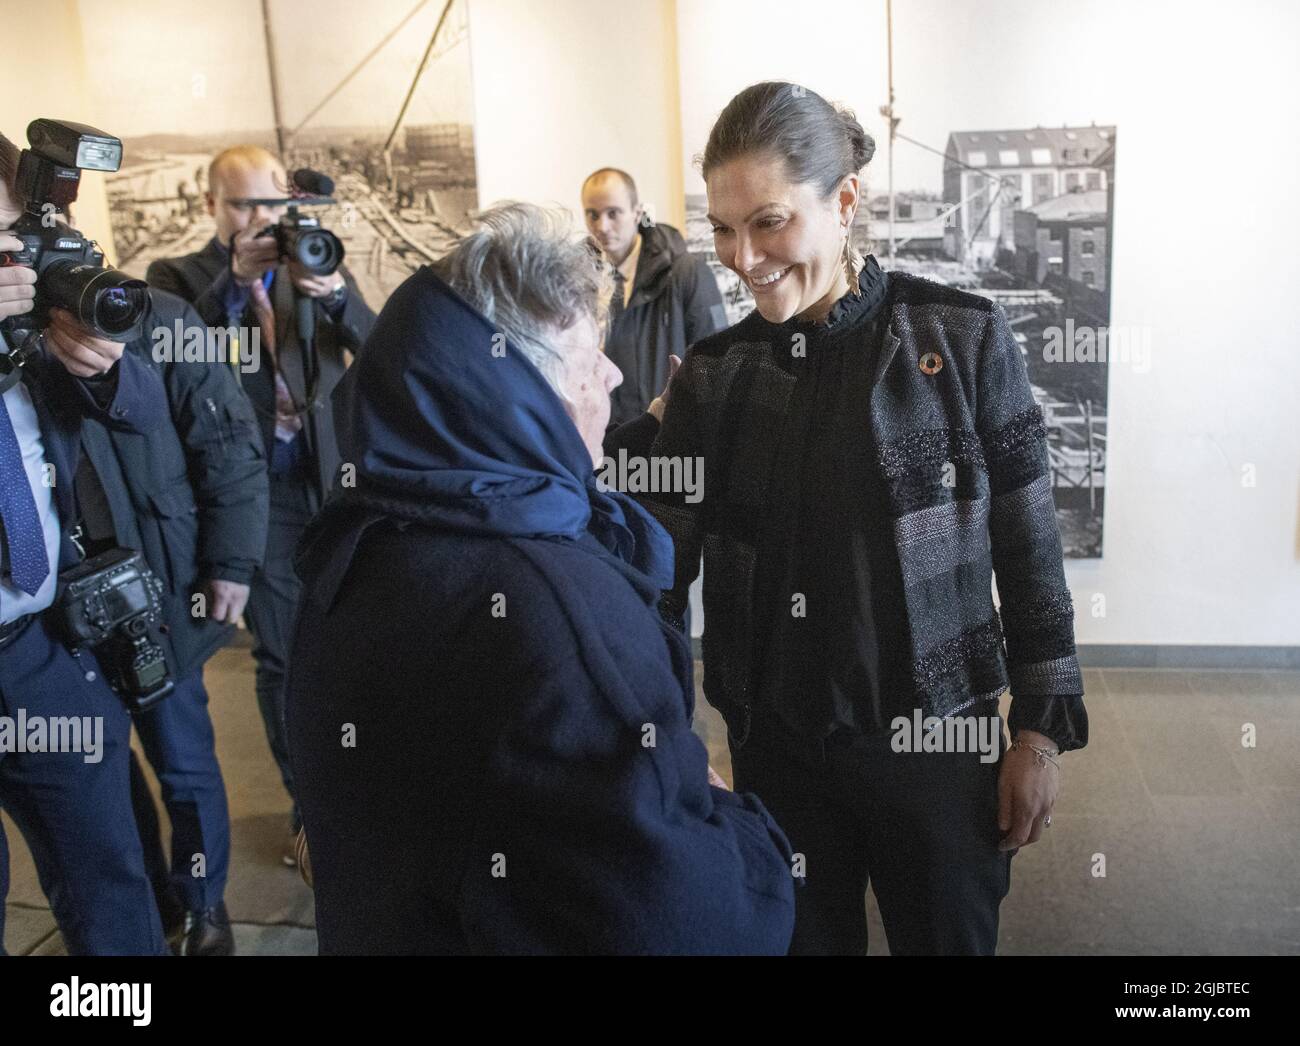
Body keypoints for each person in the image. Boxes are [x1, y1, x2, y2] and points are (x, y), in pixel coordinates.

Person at [635, 82, 1090, 955]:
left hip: (939, 745)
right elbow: (655, 572)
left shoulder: (964, 339)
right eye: (722, 229)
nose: (742, 257)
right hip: (778, 756)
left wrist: (1039, 732)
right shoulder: (715, 376)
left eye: (768, 221)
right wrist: (671, 741)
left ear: (844, 202)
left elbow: (1031, 551)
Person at [284, 203, 795, 954]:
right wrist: (742, 829)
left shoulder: (351, 551)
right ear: (525, 395)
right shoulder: (555, 612)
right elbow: (692, 923)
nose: (615, 374)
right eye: (592, 360)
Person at [147, 146, 376, 862]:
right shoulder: (178, 279)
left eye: (270, 205)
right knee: (284, 654)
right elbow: (171, 358)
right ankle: (310, 814)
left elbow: (375, 345)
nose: (259, 220)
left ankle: (365, 791)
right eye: (242, 205)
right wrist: (228, 285)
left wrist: (334, 293)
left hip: (332, 477)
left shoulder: (309, 257)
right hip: (256, 494)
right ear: (212, 206)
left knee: (355, 642)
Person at [0, 131, 169, 955]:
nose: (7, 270)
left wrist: (100, 363)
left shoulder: (28, 314)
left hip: (35, 651)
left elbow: (140, 406)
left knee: (108, 874)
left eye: (10, 245)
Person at [77, 289, 268, 955]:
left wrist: (233, 560)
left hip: (159, 584)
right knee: (92, 770)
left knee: (183, 762)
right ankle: (148, 906)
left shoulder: (158, 316)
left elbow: (226, 441)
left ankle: (203, 907)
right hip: (56, 606)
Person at [581, 168, 726, 431]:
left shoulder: (687, 273)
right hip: (614, 446)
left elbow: (718, 367)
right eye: (593, 214)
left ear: (637, 213)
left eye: (613, 213)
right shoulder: (585, 283)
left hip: (674, 442)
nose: (601, 226)